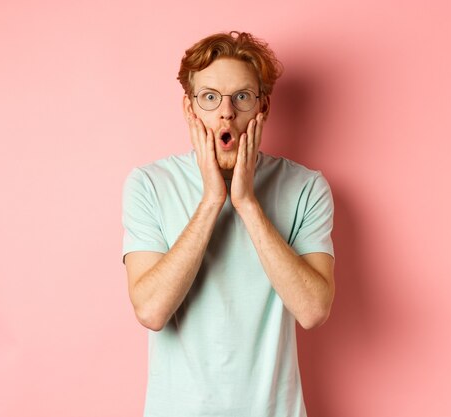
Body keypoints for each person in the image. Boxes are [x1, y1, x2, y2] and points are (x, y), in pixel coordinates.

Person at [122, 31, 335, 417]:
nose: (226, 113)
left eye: (242, 97)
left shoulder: (306, 187)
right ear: (190, 109)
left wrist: (247, 203)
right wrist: (211, 201)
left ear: (263, 108)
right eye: (209, 97)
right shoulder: (149, 184)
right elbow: (151, 311)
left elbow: (313, 310)